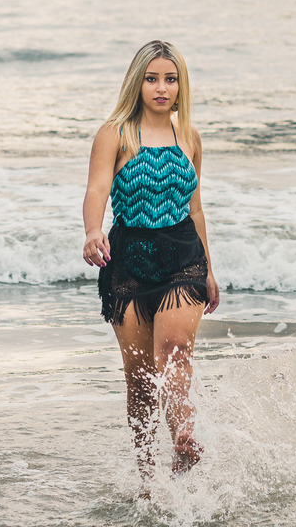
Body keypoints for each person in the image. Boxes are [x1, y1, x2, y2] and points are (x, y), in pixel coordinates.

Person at [82, 40, 220, 477]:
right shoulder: (115, 133)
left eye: (171, 78)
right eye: (152, 78)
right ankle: (146, 475)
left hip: (183, 256)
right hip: (129, 261)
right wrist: (92, 230)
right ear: (137, 82)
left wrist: (210, 271)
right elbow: (97, 190)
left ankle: (183, 436)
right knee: (140, 381)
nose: (162, 88)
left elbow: (195, 208)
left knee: (176, 350)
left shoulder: (190, 137)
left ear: (181, 85)